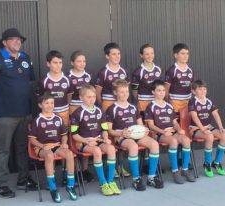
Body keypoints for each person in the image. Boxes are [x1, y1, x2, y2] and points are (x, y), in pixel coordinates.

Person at [0, 28, 37, 198]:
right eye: (13, 39)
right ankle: (2, 185)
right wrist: (1, 98)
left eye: (19, 39)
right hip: (4, 114)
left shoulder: (26, 59)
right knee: (2, 150)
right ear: (4, 42)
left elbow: (29, 82)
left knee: (22, 148)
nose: (17, 42)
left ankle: (23, 180)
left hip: (25, 112)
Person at [106, 79, 163, 191]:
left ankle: (151, 176)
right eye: (121, 92)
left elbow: (140, 124)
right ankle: (136, 178)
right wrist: (121, 133)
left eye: (126, 91)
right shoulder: (112, 109)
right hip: (122, 136)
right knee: (133, 146)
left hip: (137, 135)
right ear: (115, 93)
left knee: (154, 144)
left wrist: (145, 130)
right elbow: (109, 130)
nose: (125, 94)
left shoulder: (133, 107)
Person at [71, 85, 121, 196]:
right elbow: (74, 135)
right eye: (88, 97)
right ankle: (103, 183)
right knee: (97, 151)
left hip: (98, 140)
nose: (92, 99)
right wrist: (87, 141)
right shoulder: (77, 113)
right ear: (81, 98)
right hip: (83, 142)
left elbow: (104, 129)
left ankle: (111, 181)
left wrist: (106, 138)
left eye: (93, 96)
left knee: (111, 149)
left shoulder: (99, 111)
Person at [28, 92, 77, 203]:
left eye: (52, 103)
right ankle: (53, 188)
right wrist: (42, 146)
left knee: (69, 154)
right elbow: (32, 140)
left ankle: (70, 185)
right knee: (49, 155)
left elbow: (64, 135)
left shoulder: (58, 118)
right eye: (47, 103)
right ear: (40, 105)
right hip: (42, 148)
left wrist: (64, 143)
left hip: (56, 145)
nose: (50, 105)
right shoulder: (37, 120)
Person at [145, 80, 196, 184]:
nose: (162, 92)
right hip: (159, 134)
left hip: (172, 132)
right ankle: (175, 171)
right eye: (158, 90)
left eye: (163, 90)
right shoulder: (150, 106)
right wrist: (163, 132)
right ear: (153, 92)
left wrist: (179, 129)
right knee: (173, 141)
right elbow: (151, 125)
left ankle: (184, 170)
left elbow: (174, 122)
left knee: (186, 140)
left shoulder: (169, 106)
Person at [95, 42, 130, 177]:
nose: (117, 56)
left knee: (121, 133)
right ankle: (111, 167)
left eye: (118, 54)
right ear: (107, 56)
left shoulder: (124, 71)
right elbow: (98, 92)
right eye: (113, 54)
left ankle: (120, 166)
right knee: (109, 135)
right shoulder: (103, 72)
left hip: (121, 104)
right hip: (108, 103)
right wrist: (102, 106)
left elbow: (126, 89)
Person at [188, 80, 225, 177]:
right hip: (196, 129)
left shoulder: (209, 101)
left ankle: (217, 162)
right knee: (209, 136)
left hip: (208, 127)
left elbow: (215, 114)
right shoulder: (192, 101)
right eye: (200, 89)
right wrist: (202, 129)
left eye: (204, 89)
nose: (203, 91)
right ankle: (207, 164)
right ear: (194, 91)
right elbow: (194, 117)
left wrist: (221, 128)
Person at [67, 51, 94, 183]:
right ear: (72, 63)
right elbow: (67, 96)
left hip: (87, 109)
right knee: (72, 140)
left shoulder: (88, 76)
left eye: (84, 61)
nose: (82, 64)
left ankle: (84, 170)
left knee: (85, 136)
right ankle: (73, 171)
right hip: (73, 109)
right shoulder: (67, 76)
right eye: (79, 61)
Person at [37, 50, 71, 126]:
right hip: (48, 114)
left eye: (60, 62)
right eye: (55, 63)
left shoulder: (67, 79)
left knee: (64, 135)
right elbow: (41, 100)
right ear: (48, 64)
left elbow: (69, 96)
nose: (58, 65)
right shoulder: (43, 81)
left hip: (64, 113)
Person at [131, 44, 162, 115]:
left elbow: (160, 86)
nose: (150, 56)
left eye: (152, 53)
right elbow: (134, 90)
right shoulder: (138, 71)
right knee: (144, 125)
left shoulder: (158, 69)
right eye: (147, 54)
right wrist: (138, 101)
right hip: (143, 103)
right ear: (141, 55)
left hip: (156, 101)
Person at [165, 43, 194, 113]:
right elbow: (166, 88)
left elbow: (192, 87)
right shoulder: (172, 70)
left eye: (187, 53)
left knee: (187, 124)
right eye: (183, 53)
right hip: (175, 104)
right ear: (176, 55)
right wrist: (168, 103)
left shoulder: (190, 70)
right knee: (177, 123)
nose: (186, 56)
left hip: (187, 103)